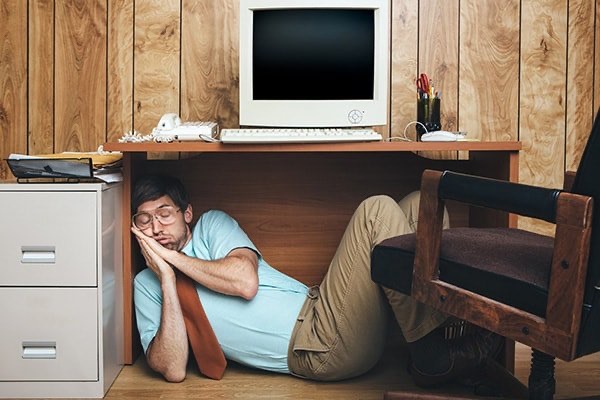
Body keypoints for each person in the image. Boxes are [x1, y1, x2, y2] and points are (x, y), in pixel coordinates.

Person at [132, 175, 501, 385]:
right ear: (136, 229)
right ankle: (433, 354)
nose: (157, 227)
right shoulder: (146, 286)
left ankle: (432, 337)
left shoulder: (211, 225)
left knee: (421, 205)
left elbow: (245, 280)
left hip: (323, 306)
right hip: (315, 347)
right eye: (144, 220)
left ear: (187, 214)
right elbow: (174, 369)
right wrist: (166, 276)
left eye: (165, 214)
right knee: (375, 211)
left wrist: (174, 258)